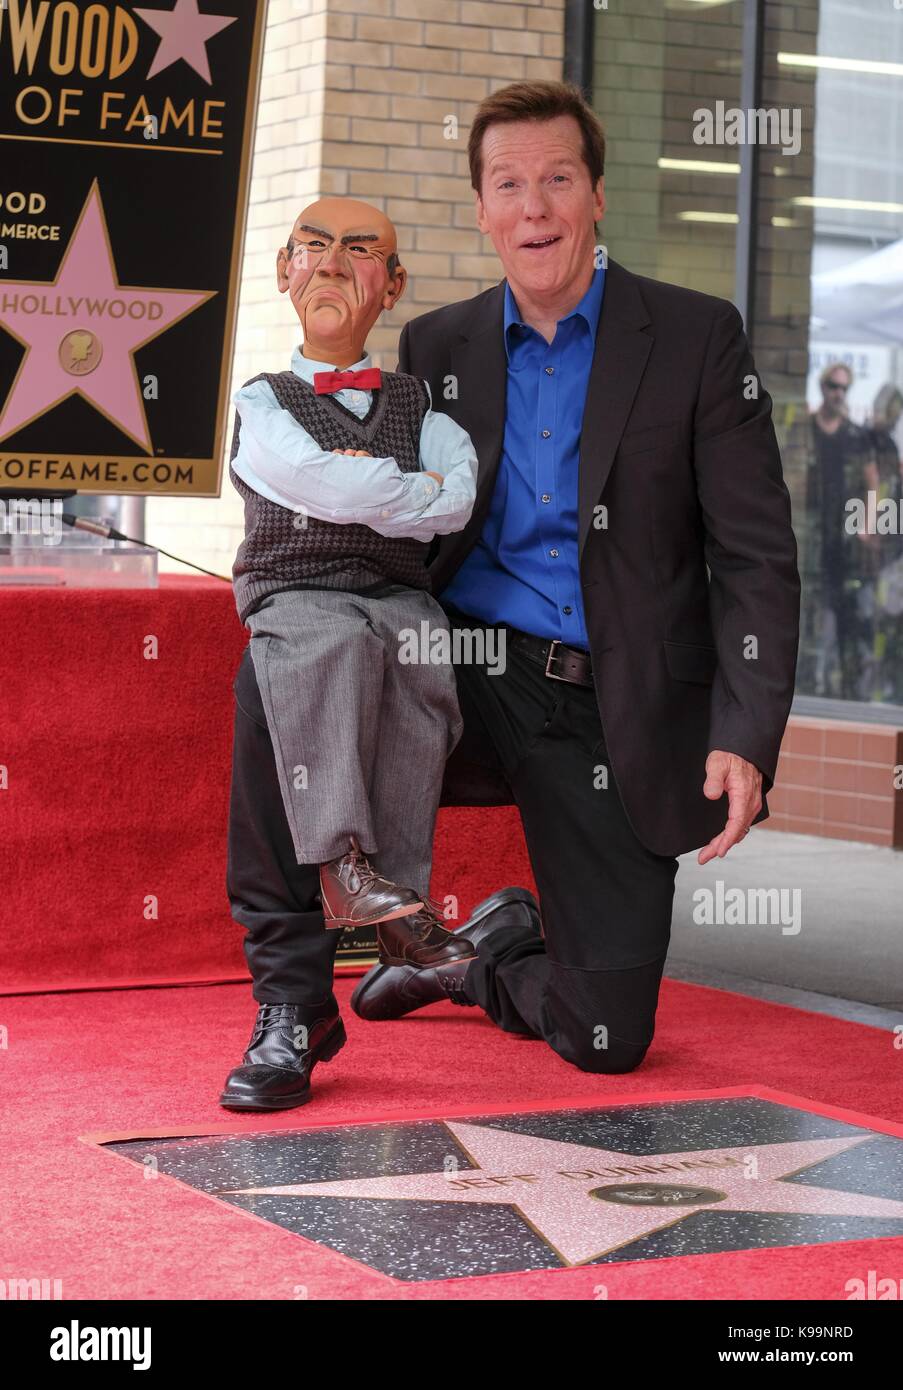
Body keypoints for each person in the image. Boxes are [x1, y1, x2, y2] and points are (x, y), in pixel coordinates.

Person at [229, 79, 801, 1084]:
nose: (534, 208)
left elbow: (756, 554)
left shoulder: (695, 338)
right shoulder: (438, 346)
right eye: (509, 185)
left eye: (557, 180)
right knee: (286, 668)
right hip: (465, 667)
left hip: (609, 700)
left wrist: (745, 730)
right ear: (483, 208)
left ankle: (482, 952)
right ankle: (293, 1004)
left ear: (596, 196)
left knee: (605, 1039)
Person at [220, 197, 479, 1111]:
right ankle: (298, 989)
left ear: (393, 283)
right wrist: (393, 489)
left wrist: (368, 494)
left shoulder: (425, 409)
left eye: (361, 251)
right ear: (285, 271)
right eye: (314, 248)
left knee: (418, 658)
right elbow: (310, 479)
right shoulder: (258, 401)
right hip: (295, 600)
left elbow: (455, 500)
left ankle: (395, 905)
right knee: (311, 656)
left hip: (398, 602)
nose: (333, 263)